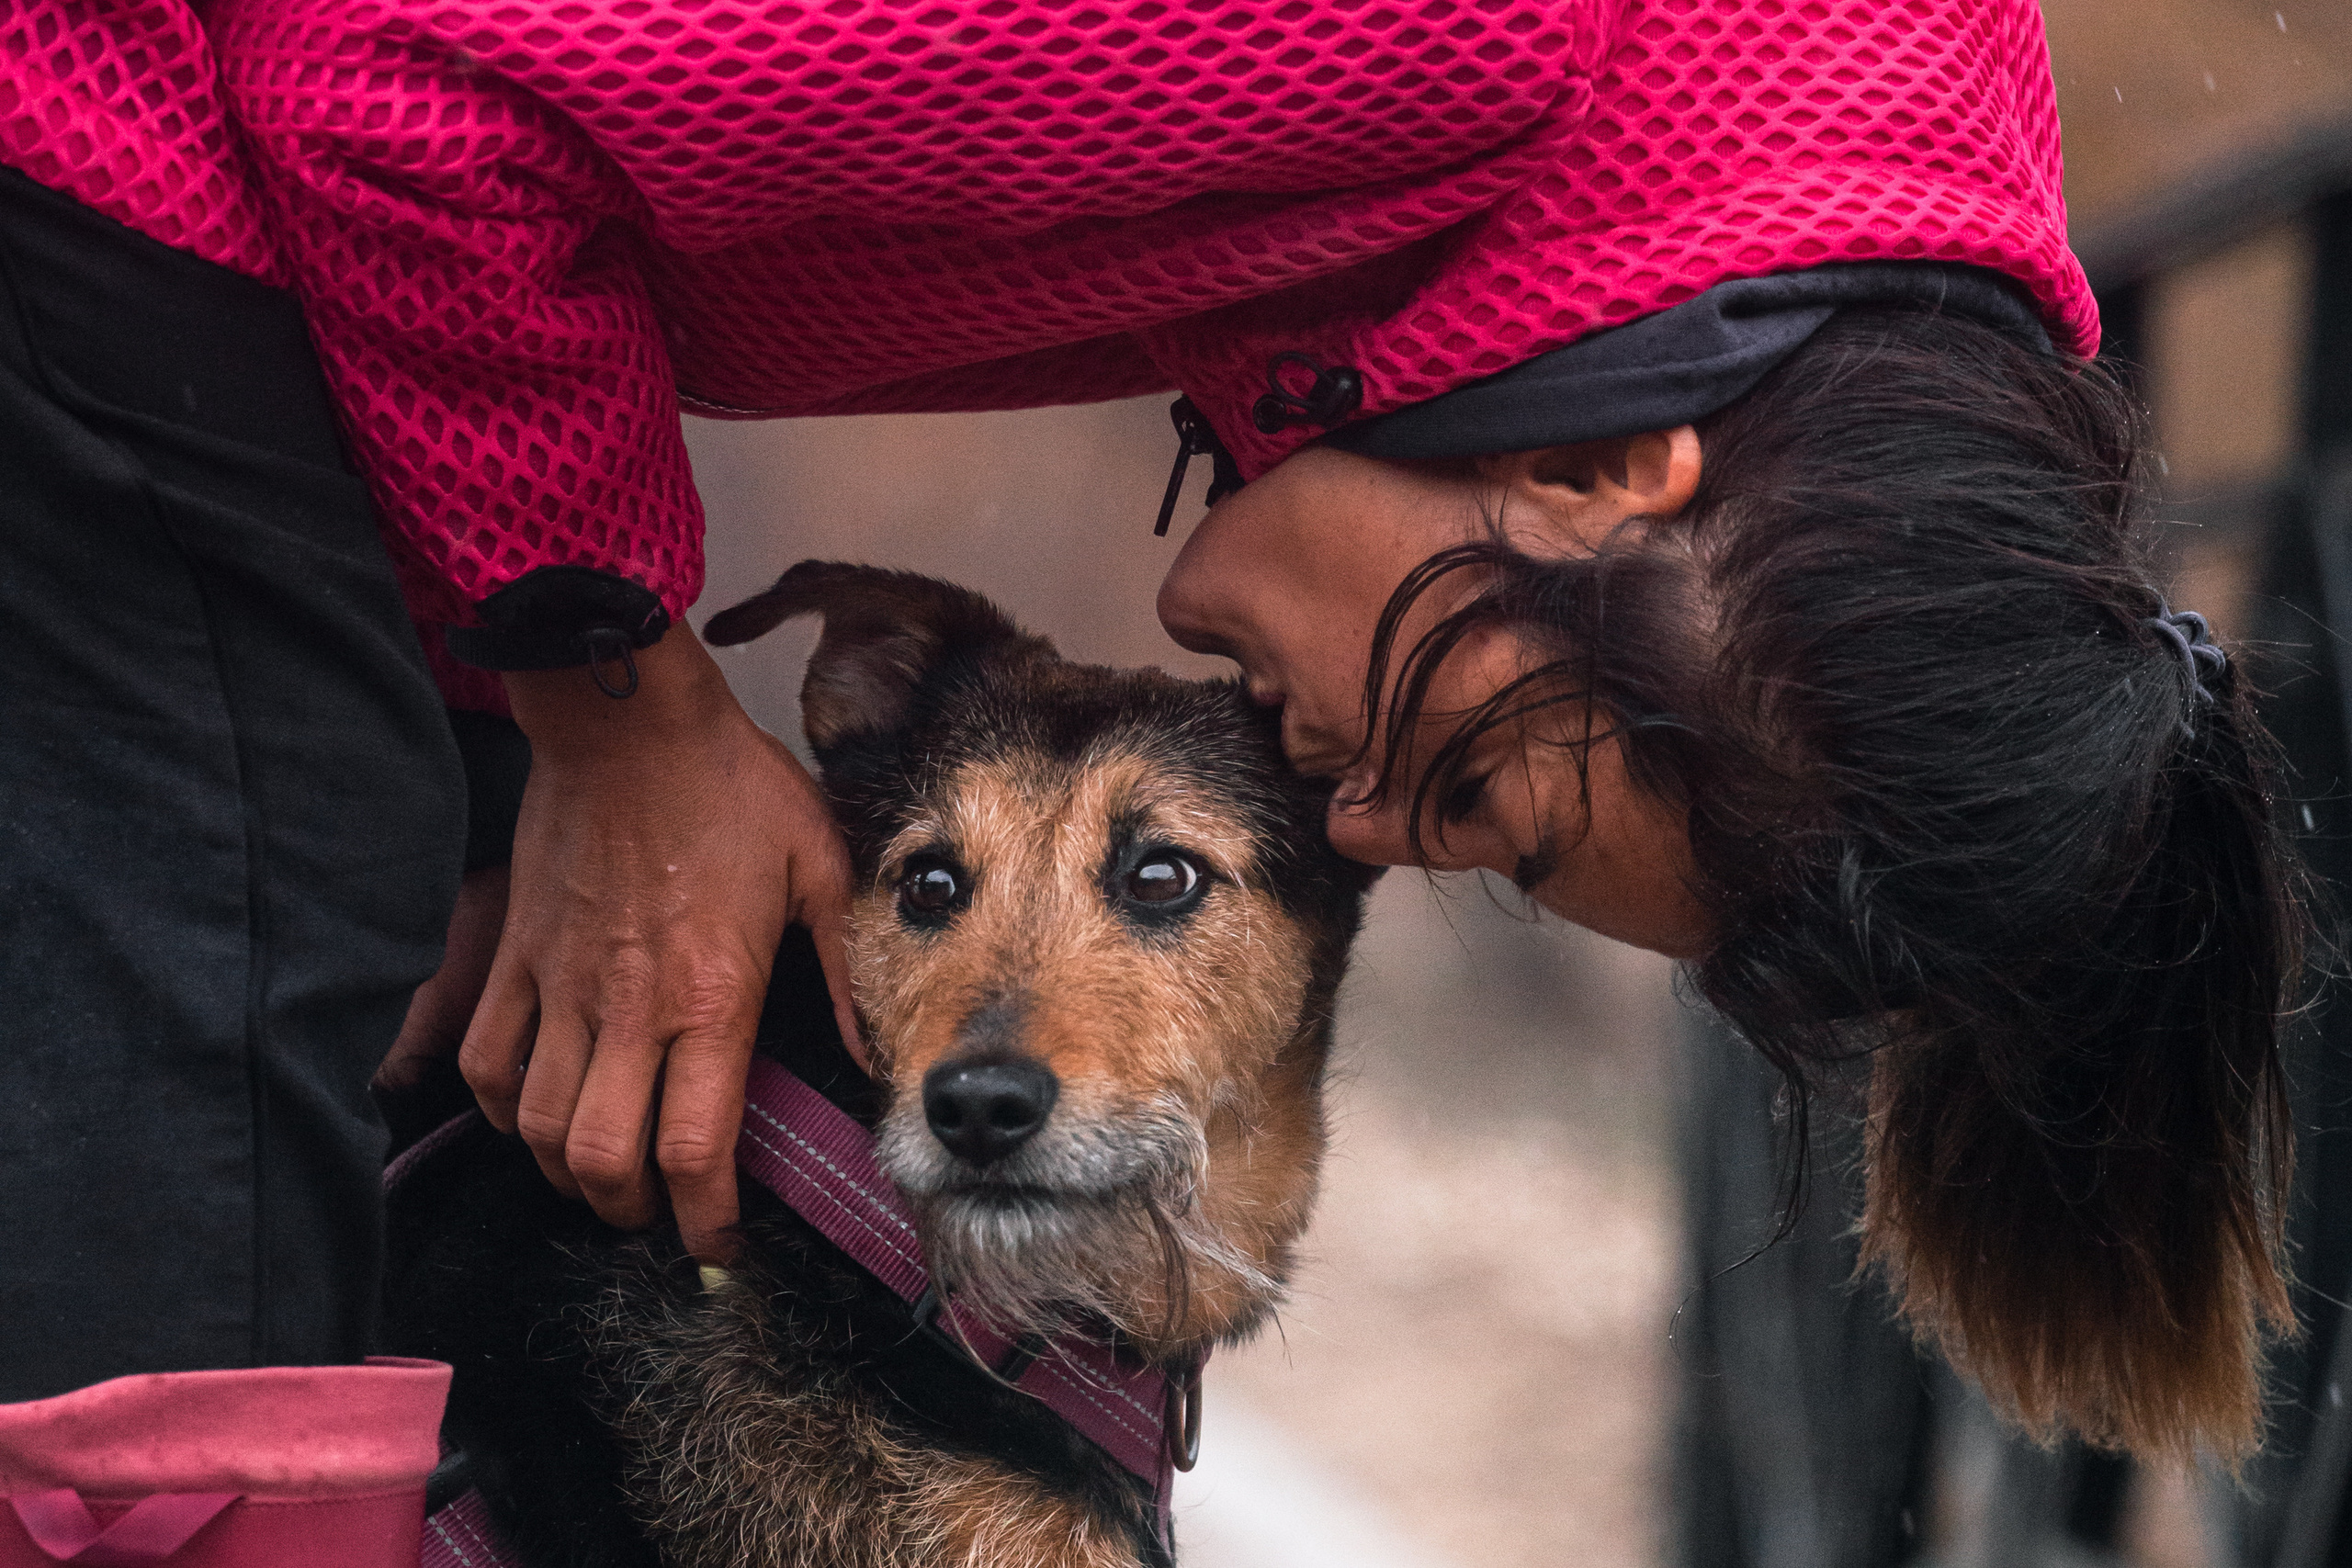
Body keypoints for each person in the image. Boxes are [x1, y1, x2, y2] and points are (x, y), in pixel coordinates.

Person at [0, 0, 2293, 1547]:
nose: (1366, 827)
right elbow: (384, 73)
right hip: (95, 159)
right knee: (181, 1261)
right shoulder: (1474, 33)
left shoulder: (1787, 229)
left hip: (252, 310)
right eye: (1473, 783)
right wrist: (606, 683)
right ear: (1612, 470)